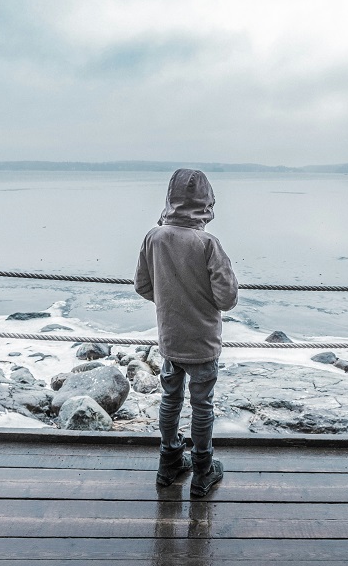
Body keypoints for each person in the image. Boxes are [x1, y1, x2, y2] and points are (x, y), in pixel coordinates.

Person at [135, 169, 238, 497]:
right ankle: (203, 470)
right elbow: (228, 298)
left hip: (170, 338)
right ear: (206, 203)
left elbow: (142, 286)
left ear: (170, 200)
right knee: (202, 404)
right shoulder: (209, 244)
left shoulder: (154, 237)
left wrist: (170, 298)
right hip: (203, 342)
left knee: (170, 399)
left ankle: (168, 463)